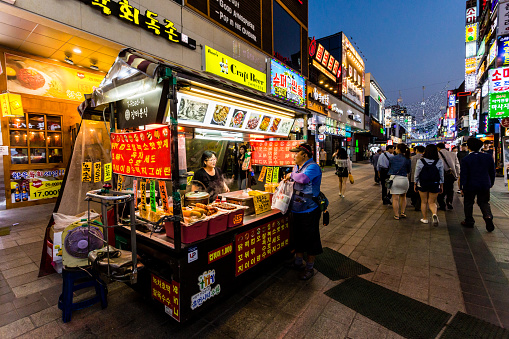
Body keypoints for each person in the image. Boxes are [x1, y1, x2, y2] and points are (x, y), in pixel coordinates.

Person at [284, 143, 322, 280]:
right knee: (297, 237)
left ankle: (310, 268)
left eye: (296, 153)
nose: (294, 156)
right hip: (296, 209)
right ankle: (298, 262)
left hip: (309, 210)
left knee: (311, 240)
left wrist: (291, 175)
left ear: (304, 155)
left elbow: (304, 179)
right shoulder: (297, 167)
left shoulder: (313, 167)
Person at [460, 138, 496, 232]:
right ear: (481, 147)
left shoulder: (466, 159)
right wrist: (491, 182)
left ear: (468, 147)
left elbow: (464, 174)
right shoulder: (488, 157)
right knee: (484, 202)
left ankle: (469, 221)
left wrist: (462, 186)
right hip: (484, 184)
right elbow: (492, 172)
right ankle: (488, 216)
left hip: (470, 184)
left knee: (468, 202)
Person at [414, 144, 444, 226]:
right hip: (434, 184)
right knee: (432, 202)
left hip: (422, 184)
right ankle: (434, 214)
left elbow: (416, 174)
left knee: (424, 202)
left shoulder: (420, 161)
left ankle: (425, 219)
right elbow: (441, 175)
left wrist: (415, 183)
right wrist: (441, 185)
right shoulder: (439, 161)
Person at [388, 143, 411, 220]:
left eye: (396, 148)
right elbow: (409, 170)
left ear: (398, 149)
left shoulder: (392, 158)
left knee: (395, 199)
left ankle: (396, 215)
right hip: (404, 179)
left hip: (394, 179)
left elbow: (390, 168)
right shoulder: (408, 159)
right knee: (403, 197)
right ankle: (402, 212)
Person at [437, 143, 460, 210]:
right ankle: (449, 201)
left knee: (441, 189)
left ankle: (442, 204)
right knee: (450, 189)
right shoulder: (453, 154)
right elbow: (457, 165)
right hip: (450, 174)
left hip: (441, 174)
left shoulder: (437, 154)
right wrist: (457, 174)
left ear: (438, 148)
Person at [409, 145, 425, 211]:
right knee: (421, 191)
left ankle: (414, 202)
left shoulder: (412, 158)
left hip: (413, 177)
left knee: (414, 191)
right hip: (423, 178)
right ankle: (419, 203)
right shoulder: (426, 158)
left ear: (416, 151)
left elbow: (410, 169)